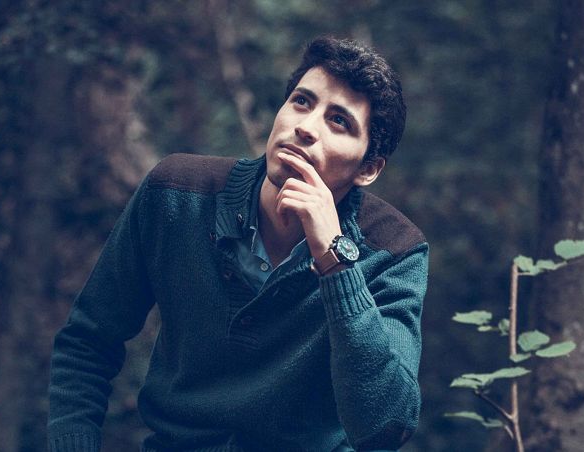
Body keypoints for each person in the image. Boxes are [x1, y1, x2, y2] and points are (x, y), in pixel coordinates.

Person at [48, 36, 428, 452]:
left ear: (368, 169)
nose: (306, 127)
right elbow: (87, 342)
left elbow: (385, 427)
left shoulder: (395, 250)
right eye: (302, 102)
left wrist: (335, 259)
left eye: (338, 121)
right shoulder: (176, 194)